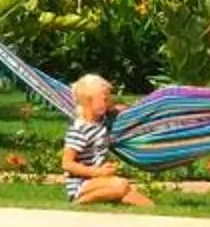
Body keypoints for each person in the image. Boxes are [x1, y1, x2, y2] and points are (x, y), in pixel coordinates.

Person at [61, 74, 152, 209]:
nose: (108, 102)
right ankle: (80, 201)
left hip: (100, 180)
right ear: (88, 100)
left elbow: (119, 109)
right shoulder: (79, 129)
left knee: (131, 193)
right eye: (105, 99)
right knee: (120, 185)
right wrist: (98, 172)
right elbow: (67, 164)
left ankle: (153, 209)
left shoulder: (102, 122)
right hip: (82, 184)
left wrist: (133, 110)